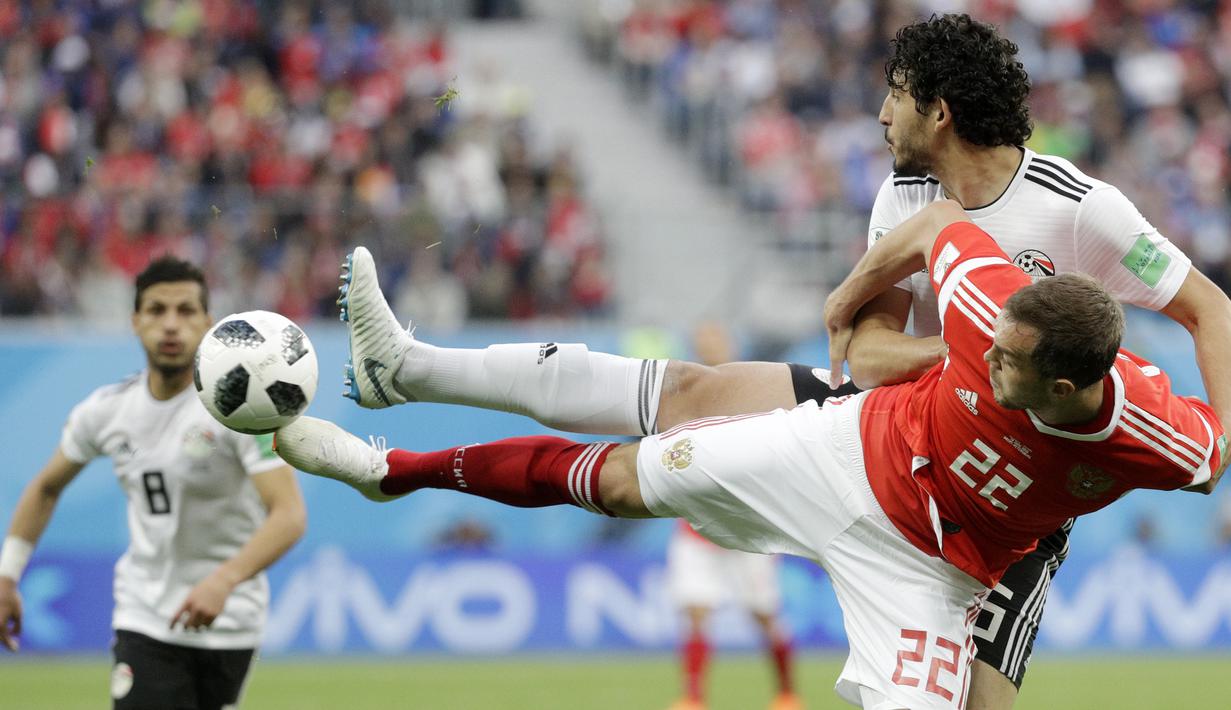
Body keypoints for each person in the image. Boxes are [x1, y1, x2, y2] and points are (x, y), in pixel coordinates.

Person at [331, 14, 1231, 707]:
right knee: (688, 392)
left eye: (894, 96)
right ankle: (408, 368)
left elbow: (1209, 308)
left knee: (979, 700)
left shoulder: (1079, 210)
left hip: (1020, 494)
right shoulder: (908, 193)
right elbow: (872, 355)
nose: (880, 115)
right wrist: (964, 356)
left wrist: (1216, 430)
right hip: (905, 415)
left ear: (937, 110)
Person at [279, 206, 1224, 708]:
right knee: (620, 478)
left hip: (931, 578)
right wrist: (854, 285)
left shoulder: (1158, 436)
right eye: (991, 341)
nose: (979, 356)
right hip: (842, 453)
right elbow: (940, 227)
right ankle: (389, 470)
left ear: (1070, 388)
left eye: (1007, 366)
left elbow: (1213, 452)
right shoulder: (988, 313)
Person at [0, 257, 306, 710]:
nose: (170, 325)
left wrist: (223, 581)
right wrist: (8, 573)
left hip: (230, 618)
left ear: (207, 324)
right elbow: (46, 487)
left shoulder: (239, 411)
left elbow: (289, 514)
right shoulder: (106, 411)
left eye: (185, 312)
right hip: (144, 613)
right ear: (135, 321)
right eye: (157, 310)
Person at [664, 323, 800, 710]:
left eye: (716, 338)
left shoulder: (753, 390)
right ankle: (692, 698)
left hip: (746, 527)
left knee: (763, 614)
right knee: (696, 611)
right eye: (702, 339)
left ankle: (787, 692)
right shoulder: (681, 395)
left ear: (731, 343)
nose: (709, 345)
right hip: (696, 527)